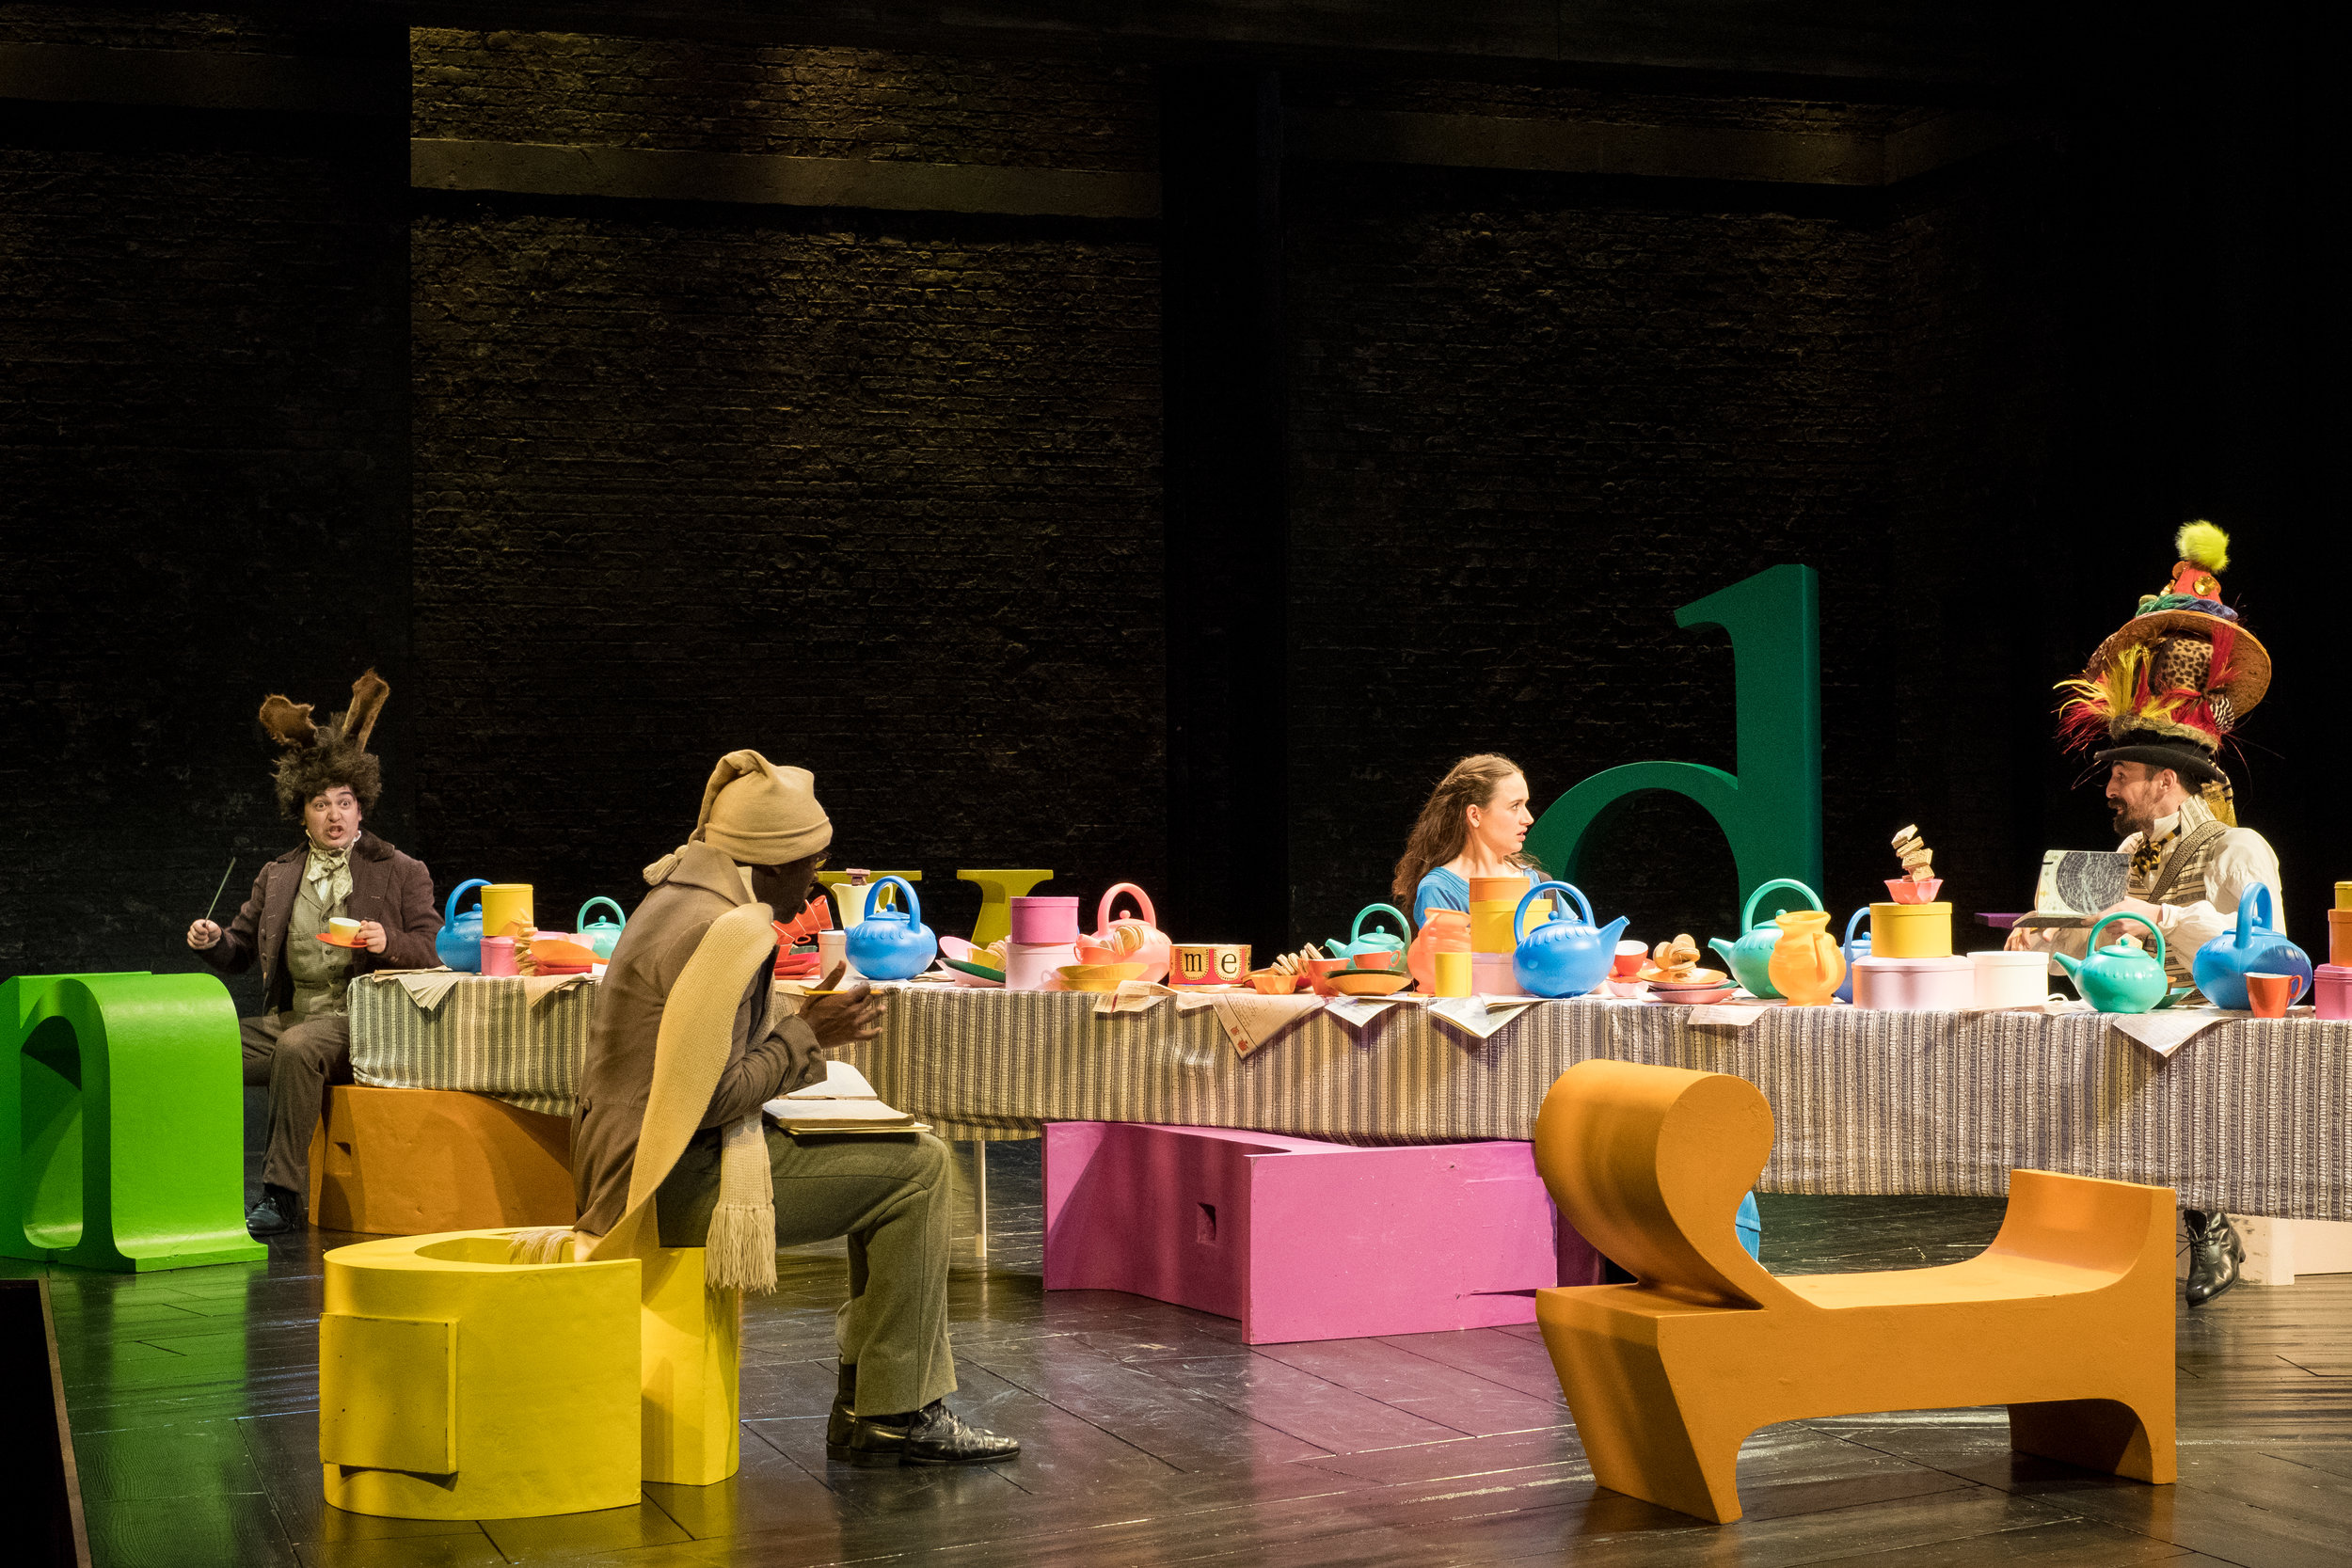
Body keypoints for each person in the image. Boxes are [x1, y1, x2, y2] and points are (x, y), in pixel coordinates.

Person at [568, 750, 1017, 1467]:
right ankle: (895, 1410)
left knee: (899, 1155)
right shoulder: (725, 930)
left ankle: (879, 1399)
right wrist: (810, 1035)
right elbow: (707, 1096)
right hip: (658, 1184)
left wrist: (796, 1039)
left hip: (632, 1152)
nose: (818, 875)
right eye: (811, 860)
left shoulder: (680, 895)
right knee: (921, 1170)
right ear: (769, 862)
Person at [2007, 522, 2282, 1307]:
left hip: (2208, 1033)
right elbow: (2098, 953)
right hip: (2128, 1020)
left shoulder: (2238, 849)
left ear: (2166, 780)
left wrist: (2161, 920)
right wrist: (2049, 937)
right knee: (2059, 1048)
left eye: (2122, 773)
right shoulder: (2119, 860)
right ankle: (2077, 1244)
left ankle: (2209, 1224)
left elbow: (2263, 962)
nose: (2109, 789)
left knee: (2161, 1053)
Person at [187, 670, 442, 1237]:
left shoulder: (400, 871)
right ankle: (182, 1184)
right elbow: (240, 951)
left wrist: (386, 941)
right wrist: (214, 941)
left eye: (344, 803)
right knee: (196, 1047)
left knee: (301, 1048)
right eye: (320, 804)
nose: (333, 815)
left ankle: (281, 1195)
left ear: (361, 808)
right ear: (301, 811)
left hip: (365, 1021)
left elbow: (433, 949)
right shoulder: (279, 876)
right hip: (293, 1017)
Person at [1392, 752, 1546, 925]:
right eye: (1515, 806)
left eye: (1525, 804)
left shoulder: (1537, 882)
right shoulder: (1441, 890)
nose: (1529, 818)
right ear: (1475, 815)